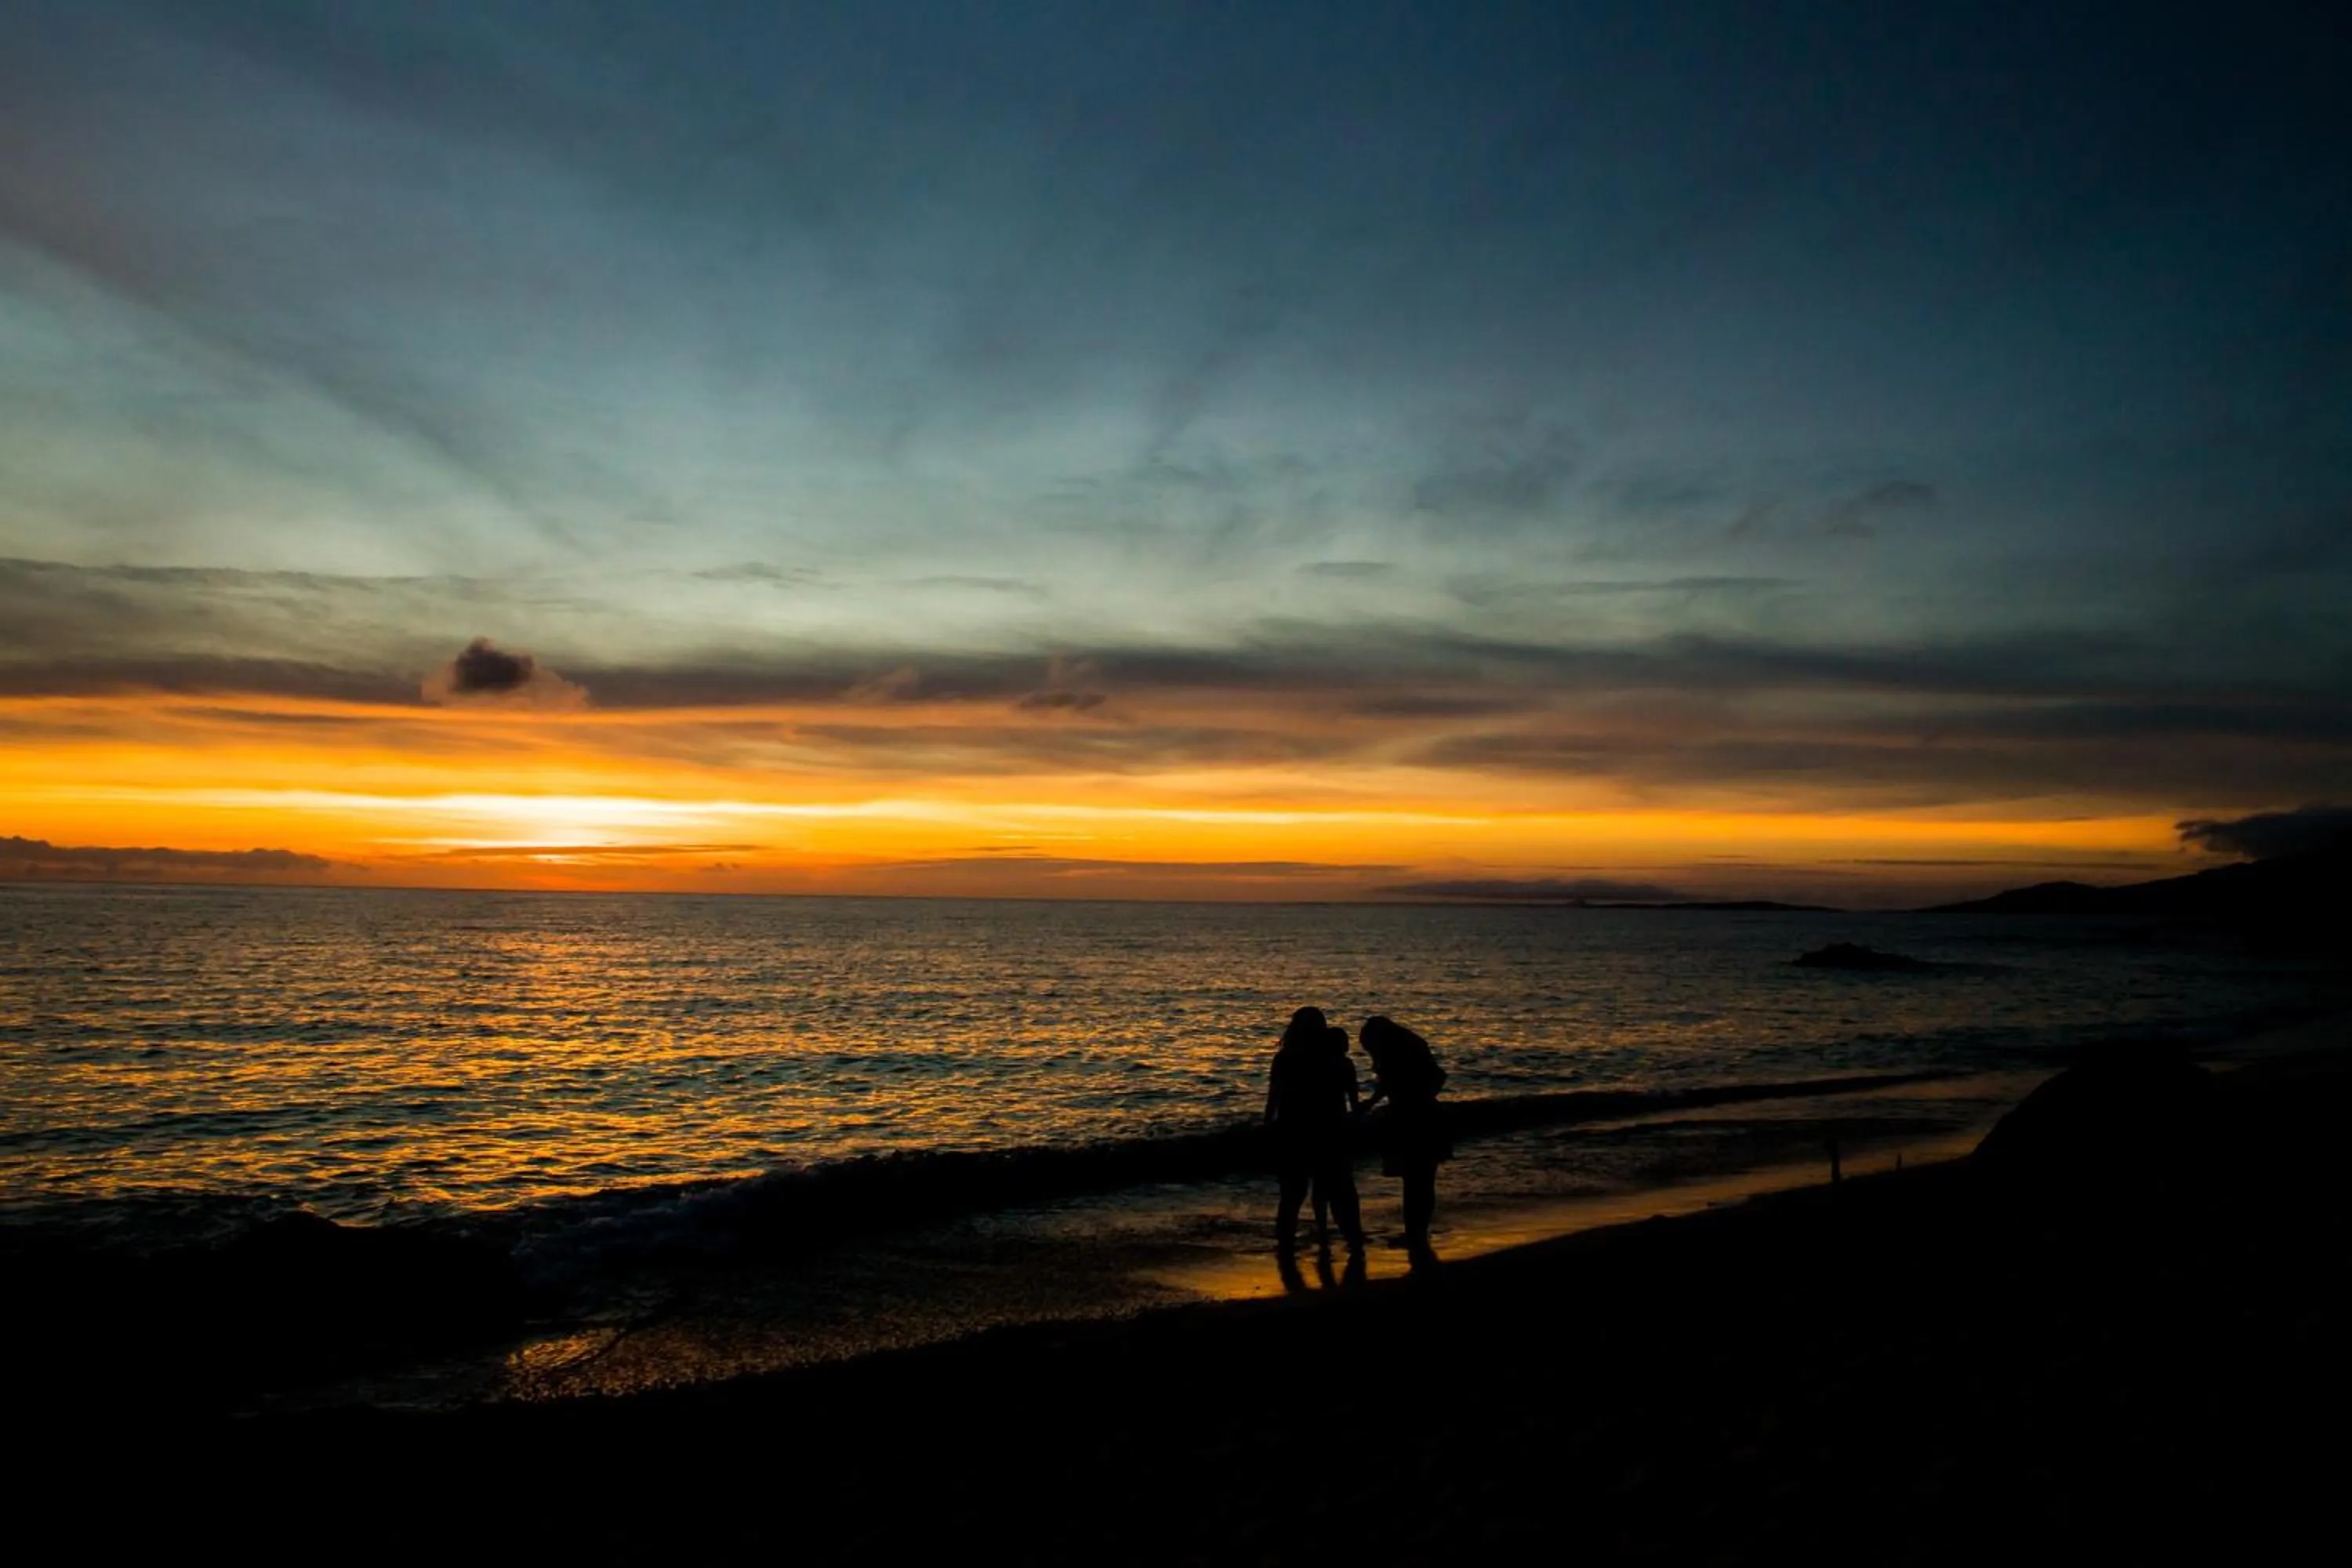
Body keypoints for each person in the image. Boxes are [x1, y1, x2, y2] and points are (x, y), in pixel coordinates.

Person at [1264, 1006, 1365, 1253]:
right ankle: (1354, 1240)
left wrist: (1267, 1128)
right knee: (1341, 1191)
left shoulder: (1284, 1059)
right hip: (1332, 1131)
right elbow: (1354, 1104)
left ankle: (1285, 1245)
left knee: (1292, 1194)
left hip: (1293, 1130)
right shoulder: (1341, 1063)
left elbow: (1274, 1099)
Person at [1359, 1014, 1449, 1258]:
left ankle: (1415, 1234)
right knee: (1423, 1179)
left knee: (1413, 1181)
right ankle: (1417, 1233)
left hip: (1408, 1118)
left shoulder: (1394, 1056)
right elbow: (1438, 1077)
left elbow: (1389, 1084)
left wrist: (1375, 1103)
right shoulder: (1414, 1047)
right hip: (1427, 1115)